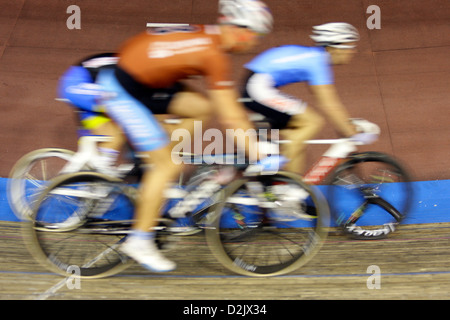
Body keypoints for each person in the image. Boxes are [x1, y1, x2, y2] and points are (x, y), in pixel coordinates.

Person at [96, 0, 274, 272]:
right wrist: (257, 149)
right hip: (123, 89)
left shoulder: (209, 35)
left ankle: (157, 160)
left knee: (202, 107)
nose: (255, 42)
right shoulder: (213, 52)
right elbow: (231, 115)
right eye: (257, 35)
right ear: (241, 30)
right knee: (170, 164)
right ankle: (139, 241)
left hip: (139, 79)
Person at [242, 22, 377, 174]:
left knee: (296, 136)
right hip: (258, 87)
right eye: (350, 46)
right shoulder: (317, 62)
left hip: (257, 84)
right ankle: (273, 173)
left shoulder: (314, 57)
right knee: (313, 121)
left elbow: (326, 102)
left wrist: (347, 127)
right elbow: (329, 104)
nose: (353, 51)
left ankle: (292, 188)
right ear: (336, 47)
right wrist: (351, 132)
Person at [58, 53, 125, 168]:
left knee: (123, 129)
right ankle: (101, 172)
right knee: (115, 134)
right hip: (77, 84)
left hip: (91, 86)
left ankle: (100, 168)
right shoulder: (134, 68)